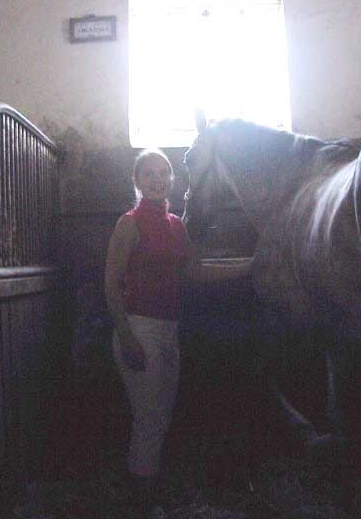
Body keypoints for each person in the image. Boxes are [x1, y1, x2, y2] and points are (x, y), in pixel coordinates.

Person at [104, 148, 252, 516]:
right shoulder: (129, 223)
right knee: (149, 418)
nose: (158, 179)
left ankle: (144, 490)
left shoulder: (175, 225)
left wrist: (253, 265)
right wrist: (125, 335)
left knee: (161, 414)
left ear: (173, 179)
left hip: (169, 330)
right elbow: (110, 283)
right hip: (139, 327)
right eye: (149, 174)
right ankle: (143, 501)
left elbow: (196, 271)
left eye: (164, 173)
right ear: (137, 181)